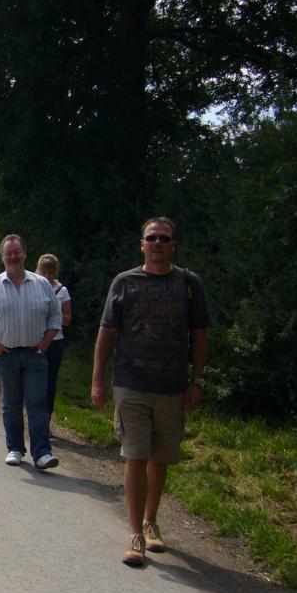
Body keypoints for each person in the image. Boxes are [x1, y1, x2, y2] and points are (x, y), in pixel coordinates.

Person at [91, 217, 210, 567]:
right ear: (141, 244)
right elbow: (107, 332)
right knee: (135, 455)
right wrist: (97, 380)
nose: (157, 243)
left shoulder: (188, 284)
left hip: (172, 385)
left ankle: (151, 520)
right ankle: (135, 535)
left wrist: (198, 380)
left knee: (160, 457)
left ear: (174, 244)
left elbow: (199, 334)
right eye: (151, 238)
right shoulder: (125, 282)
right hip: (131, 382)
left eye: (164, 238)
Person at [0, 234, 62, 469]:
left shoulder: (41, 284)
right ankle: (15, 448)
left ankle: (42, 453)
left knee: (37, 403)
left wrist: (46, 341)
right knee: (11, 404)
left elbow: (55, 315)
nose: (13, 257)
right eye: (8, 253)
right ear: (2, 257)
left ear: (25, 254)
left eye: (16, 252)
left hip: (35, 354)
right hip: (6, 355)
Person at [35, 254, 72, 421]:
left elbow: (68, 319)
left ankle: (46, 420)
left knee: (49, 381)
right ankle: (33, 416)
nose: (47, 276)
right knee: (34, 380)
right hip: (35, 342)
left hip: (55, 343)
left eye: (51, 272)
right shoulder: (32, 287)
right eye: (44, 272)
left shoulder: (62, 291)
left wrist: (53, 313)